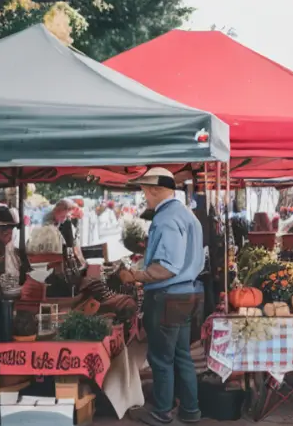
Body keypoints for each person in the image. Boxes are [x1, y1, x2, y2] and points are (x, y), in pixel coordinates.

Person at [119, 168, 204, 425]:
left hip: (168, 296)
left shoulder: (166, 219)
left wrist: (134, 276)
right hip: (188, 293)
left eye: (145, 190)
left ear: (154, 190)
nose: (145, 196)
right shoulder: (187, 215)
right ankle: (190, 411)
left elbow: (167, 267)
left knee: (161, 358)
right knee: (181, 355)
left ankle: (162, 412)